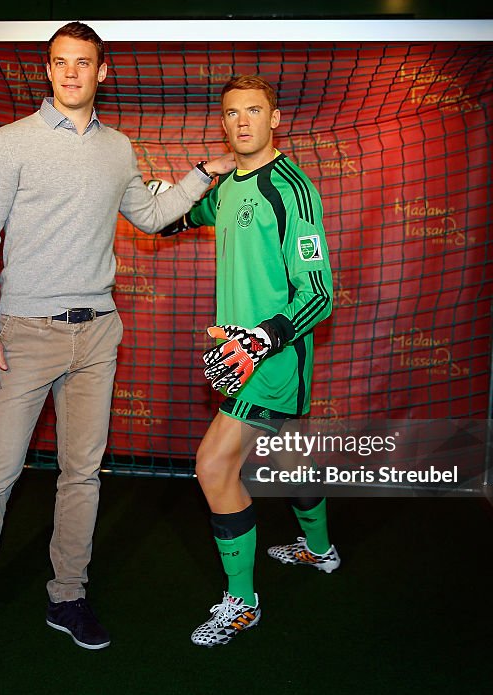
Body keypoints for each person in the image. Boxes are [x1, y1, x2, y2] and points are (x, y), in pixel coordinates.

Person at [0, 21, 235, 681]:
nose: (70, 73)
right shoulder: (10, 143)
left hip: (97, 333)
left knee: (83, 475)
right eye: (60, 62)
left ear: (101, 71)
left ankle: (67, 597)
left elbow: (150, 215)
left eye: (83, 63)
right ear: (49, 70)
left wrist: (202, 173)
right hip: (22, 335)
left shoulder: (119, 148)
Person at [160, 75, 338, 647]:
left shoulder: (291, 189)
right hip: (239, 354)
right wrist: (152, 192)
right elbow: (173, 217)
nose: (242, 122)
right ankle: (319, 549)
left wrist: (261, 340)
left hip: (272, 358)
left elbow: (319, 295)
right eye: (232, 112)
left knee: (213, 466)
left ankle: (242, 604)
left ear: (275, 119)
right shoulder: (231, 186)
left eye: (254, 111)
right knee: (289, 457)